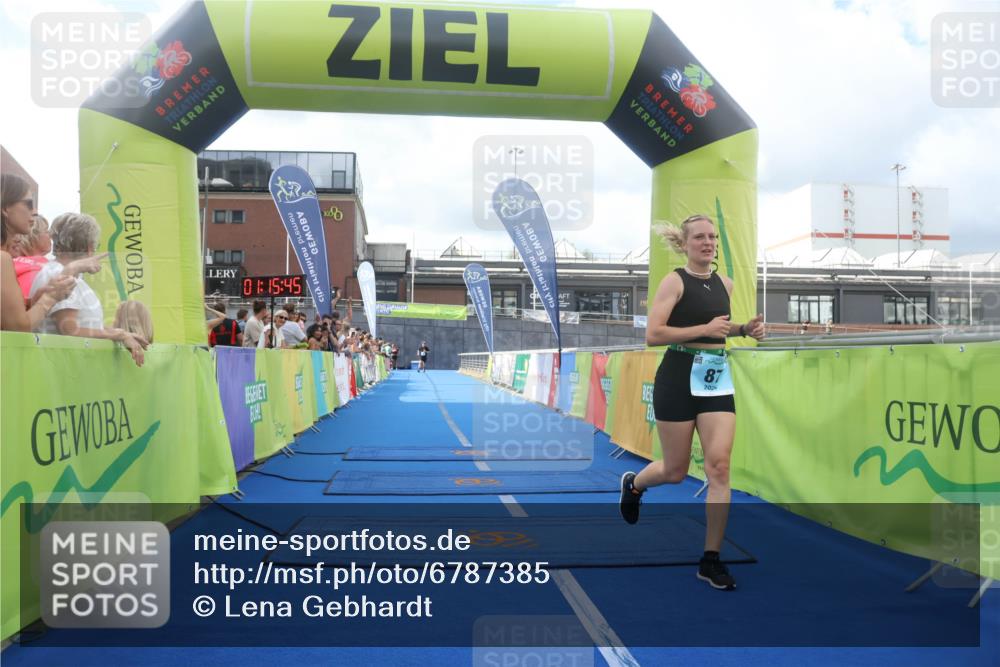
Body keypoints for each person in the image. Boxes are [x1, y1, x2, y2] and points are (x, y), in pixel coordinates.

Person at [619, 214, 764, 591]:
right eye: (700, 237)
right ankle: (634, 485)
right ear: (685, 244)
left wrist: (743, 329)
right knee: (676, 470)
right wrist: (704, 329)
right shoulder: (674, 281)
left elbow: (720, 327)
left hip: (714, 375)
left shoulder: (725, 283)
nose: (708, 242)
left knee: (719, 467)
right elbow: (653, 334)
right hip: (678, 374)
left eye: (713, 237)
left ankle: (710, 559)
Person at [28, 212, 148, 366]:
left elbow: (87, 327)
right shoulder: (60, 273)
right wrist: (118, 334)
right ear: (90, 247)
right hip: (60, 370)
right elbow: (69, 329)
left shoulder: (64, 273)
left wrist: (122, 334)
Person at [1, 174, 75, 331]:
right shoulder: (2, 259)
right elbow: (17, 329)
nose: (34, 211)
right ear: (6, 208)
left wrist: (31, 302)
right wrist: (50, 298)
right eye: (28, 204)